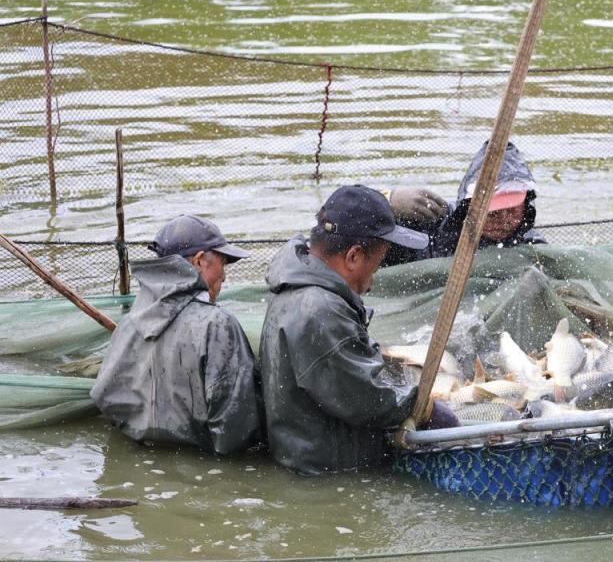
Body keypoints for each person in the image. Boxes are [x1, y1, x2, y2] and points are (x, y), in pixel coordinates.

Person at [259, 185, 459, 475]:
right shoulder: (320, 310)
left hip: (306, 459)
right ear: (353, 256)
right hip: (328, 474)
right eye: (377, 265)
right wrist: (426, 409)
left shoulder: (297, 287)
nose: (374, 280)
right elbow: (366, 398)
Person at [91, 215, 261, 455]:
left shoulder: (129, 323)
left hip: (139, 459)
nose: (224, 276)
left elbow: (105, 395)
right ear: (200, 261)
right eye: (222, 263)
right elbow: (235, 425)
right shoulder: (217, 325)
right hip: (202, 471)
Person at [382, 141, 545, 266]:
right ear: (469, 206)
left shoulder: (533, 250)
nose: (503, 221)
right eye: (492, 213)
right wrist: (385, 201)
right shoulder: (430, 224)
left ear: (526, 208)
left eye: (511, 212)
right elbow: (359, 229)